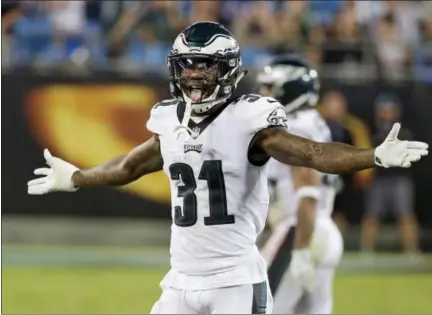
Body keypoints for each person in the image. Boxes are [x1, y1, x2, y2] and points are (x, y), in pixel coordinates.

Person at [27, 22, 428, 314]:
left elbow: (312, 154)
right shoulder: (169, 119)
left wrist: (370, 155)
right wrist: (78, 177)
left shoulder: (249, 119)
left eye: (204, 66)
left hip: (234, 281)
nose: (193, 76)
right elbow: (130, 165)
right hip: (179, 281)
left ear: (228, 70)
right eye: (186, 65)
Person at [258, 56, 343, 314]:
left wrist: (302, 248)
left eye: (271, 88)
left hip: (300, 232)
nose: (263, 94)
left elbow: (307, 192)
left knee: (262, 309)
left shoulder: (295, 126)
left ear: (291, 90)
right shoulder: (313, 122)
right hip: (321, 229)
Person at [361, 94, 420, 258]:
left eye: (389, 110)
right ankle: (366, 251)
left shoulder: (405, 132)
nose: (386, 113)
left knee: (406, 215)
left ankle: (411, 250)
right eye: (383, 110)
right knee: (371, 216)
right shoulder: (371, 132)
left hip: (399, 179)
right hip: (378, 179)